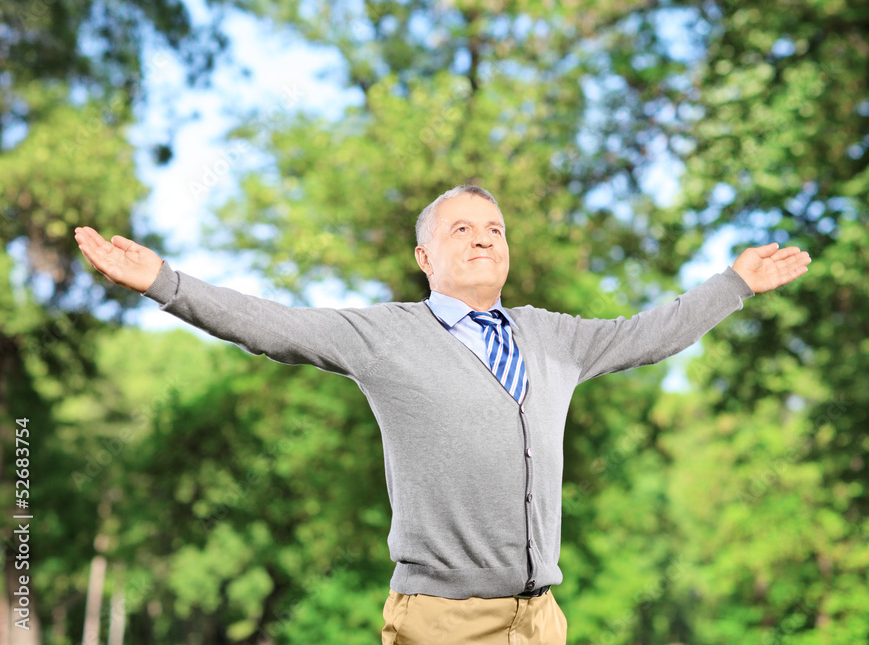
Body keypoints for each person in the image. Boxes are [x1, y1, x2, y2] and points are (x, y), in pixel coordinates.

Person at [74, 184, 811, 645]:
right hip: (443, 624)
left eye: (492, 228)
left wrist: (732, 285)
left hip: (539, 620)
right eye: (460, 229)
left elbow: (647, 334)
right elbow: (272, 324)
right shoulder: (385, 335)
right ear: (425, 258)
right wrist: (164, 282)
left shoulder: (552, 336)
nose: (482, 236)